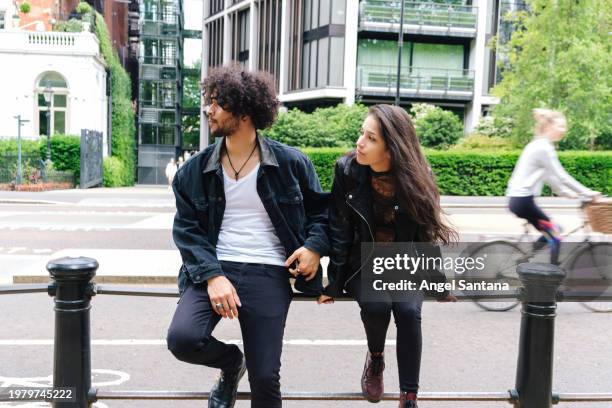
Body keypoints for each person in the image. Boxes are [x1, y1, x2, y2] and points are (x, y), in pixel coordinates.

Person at [166, 65, 329, 408]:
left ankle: (247, 368)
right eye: (208, 101)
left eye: (217, 103)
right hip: (215, 268)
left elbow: (322, 214)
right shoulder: (193, 172)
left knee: (266, 379)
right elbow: (187, 230)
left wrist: (314, 248)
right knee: (183, 339)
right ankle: (230, 364)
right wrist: (212, 276)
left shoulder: (291, 164)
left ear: (243, 112)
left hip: (269, 270)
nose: (208, 109)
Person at [318, 104, 457, 408]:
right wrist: (334, 283)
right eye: (361, 133)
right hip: (362, 262)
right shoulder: (347, 172)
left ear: (392, 149)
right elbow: (339, 229)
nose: (360, 142)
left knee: (408, 312)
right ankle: (376, 359)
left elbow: (425, 234)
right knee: (378, 305)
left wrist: (438, 283)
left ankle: (409, 396)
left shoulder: (419, 176)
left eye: (371, 138)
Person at [506, 108, 600, 252]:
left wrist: (567, 193)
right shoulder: (544, 148)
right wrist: (588, 192)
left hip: (519, 200)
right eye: (560, 126)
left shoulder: (538, 145)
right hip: (523, 201)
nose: (564, 130)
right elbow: (562, 176)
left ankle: (528, 260)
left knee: (553, 232)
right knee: (555, 234)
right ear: (549, 126)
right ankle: (550, 271)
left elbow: (549, 177)